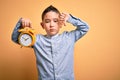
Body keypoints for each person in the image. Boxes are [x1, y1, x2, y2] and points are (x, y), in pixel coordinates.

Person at [11, 5, 89, 80]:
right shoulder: (36, 40)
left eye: (55, 21)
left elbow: (85, 28)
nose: (51, 25)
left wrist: (70, 19)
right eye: (47, 21)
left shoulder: (69, 37)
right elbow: (15, 38)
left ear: (61, 23)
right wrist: (21, 23)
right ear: (42, 25)